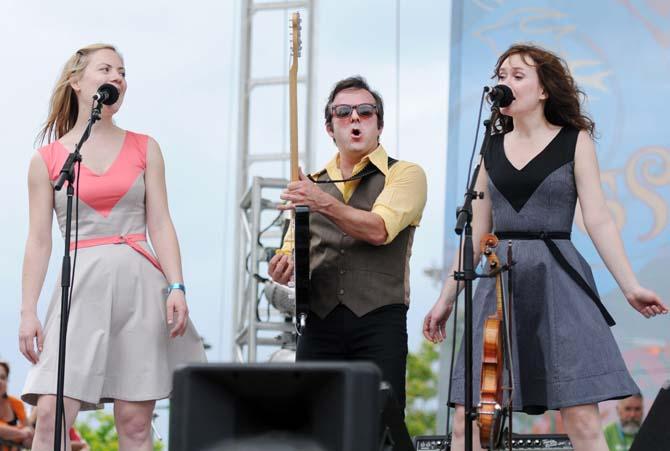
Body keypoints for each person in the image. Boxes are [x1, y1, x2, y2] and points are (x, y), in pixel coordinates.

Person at [423, 43, 668, 451]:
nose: (506, 83)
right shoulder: (491, 148)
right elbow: (475, 234)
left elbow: (599, 218)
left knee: (582, 419)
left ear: (543, 91)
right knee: (470, 421)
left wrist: (630, 286)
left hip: (557, 279)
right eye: (501, 76)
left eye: (518, 76)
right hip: (498, 282)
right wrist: (446, 299)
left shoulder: (575, 140)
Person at [19, 43, 206, 450]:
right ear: (75, 82)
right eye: (105, 69)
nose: (117, 77)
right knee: (50, 415)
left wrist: (177, 286)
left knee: (135, 423)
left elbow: (161, 222)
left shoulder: (145, 147)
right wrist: (28, 311)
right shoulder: (48, 159)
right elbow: (38, 239)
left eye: (122, 72)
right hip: (80, 287)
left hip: (139, 284)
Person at [268, 76, 427, 413]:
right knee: (312, 426)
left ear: (379, 125)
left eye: (365, 111)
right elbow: (289, 251)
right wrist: (282, 267)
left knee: (380, 425)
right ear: (330, 128)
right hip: (319, 323)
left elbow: (379, 230)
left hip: (378, 320)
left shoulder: (406, 174)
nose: (355, 118)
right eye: (343, 112)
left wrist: (320, 202)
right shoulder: (310, 184)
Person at [0, 362, 33, 450]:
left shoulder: (16, 403)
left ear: (7, 380)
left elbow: (30, 435)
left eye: (3, 377)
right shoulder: (22, 431)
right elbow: (26, 431)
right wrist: (22, 433)